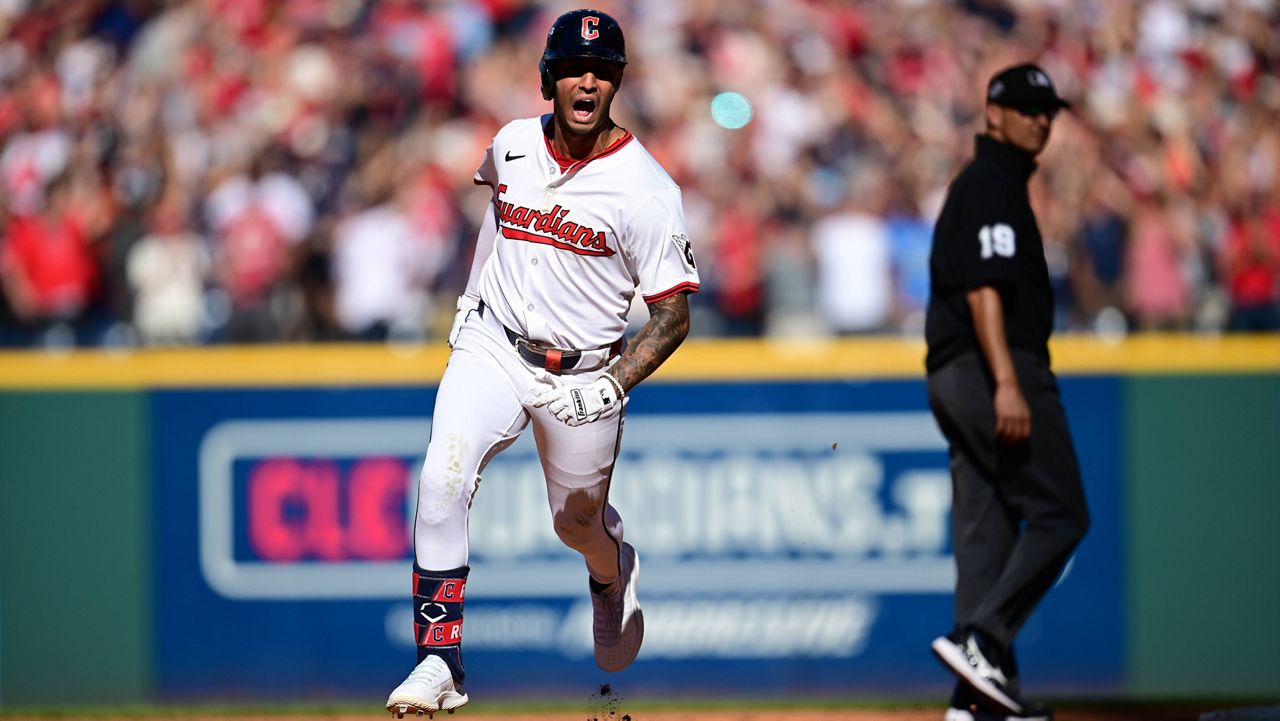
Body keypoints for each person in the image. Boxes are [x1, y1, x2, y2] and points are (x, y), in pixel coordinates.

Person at [385, 8, 699, 717]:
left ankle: (611, 567)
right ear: (548, 79)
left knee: (574, 524)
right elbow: (497, 212)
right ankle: (439, 659)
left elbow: (674, 314)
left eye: (602, 70)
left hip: (586, 370)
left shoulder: (646, 189)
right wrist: (470, 302)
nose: (587, 81)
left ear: (617, 81)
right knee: (442, 472)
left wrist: (612, 383)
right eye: (573, 68)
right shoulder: (513, 143)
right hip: (494, 342)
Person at [924, 63, 1091, 721]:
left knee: (986, 529)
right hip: (992, 367)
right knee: (1062, 512)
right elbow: (985, 288)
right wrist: (1007, 383)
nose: (1041, 119)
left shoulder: (993, 184)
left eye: (1048, 110)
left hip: (955, 371)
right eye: (1026, 108)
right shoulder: (992, 183)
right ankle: (984, 640)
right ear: (993, 113)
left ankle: (975, 702)